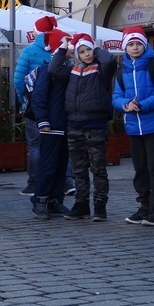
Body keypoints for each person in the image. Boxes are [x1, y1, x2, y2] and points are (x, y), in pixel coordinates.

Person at [50, 33, 117, 221]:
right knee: (78, 168)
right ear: (76, 54)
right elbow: (53, 68)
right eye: (82, 51)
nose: (86, 54)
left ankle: (100, 205)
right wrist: (63, 47)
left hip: (95, 124)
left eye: (88, 50)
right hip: (74, 124)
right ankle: (81, 204)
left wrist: (95, 47)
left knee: (98, 168)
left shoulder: (101, 70)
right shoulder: (71, 70)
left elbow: (110, 60)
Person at [112, 26, 154, 226]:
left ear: (145, 45)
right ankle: (144, 206)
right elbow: (115, 96)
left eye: (138, 44)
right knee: (140, 169)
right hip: (133, 127)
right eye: (130, 44)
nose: (134, 48)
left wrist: (141, 105)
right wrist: (125, 105)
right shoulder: (121, 72)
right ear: (125, 47)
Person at [29, 30, 73, 220]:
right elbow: (38, 98)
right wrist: (43, 120)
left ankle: (56, 200)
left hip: (65, 125)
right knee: (47, 165)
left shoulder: (68, 67)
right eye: (68, 43)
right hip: (51, 125)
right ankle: (40, 200)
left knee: (61, 165)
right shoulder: (47, 69)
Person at [14, 15, 58, 196]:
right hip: (56, 104)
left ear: (36, 32)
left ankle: (34, 183)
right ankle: (65, 182)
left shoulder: (29, 51)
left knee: (35, 145)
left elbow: (18, 79)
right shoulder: (60, 49)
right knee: (58, 143)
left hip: (35, 105)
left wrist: (25, 101)